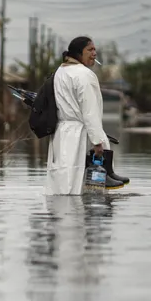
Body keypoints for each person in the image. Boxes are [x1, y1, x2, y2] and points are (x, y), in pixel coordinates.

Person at [43, 36, 111, 195]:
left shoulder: (60, 71)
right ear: (78, 53)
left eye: (95, 50)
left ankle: (63, 214)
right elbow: (89, 110)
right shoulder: (84, 74)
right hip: (81, 134)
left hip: (62, 133)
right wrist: (97, 141)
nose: (94, 53)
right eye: (90, 50)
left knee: (62, 181)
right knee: (83, 184)